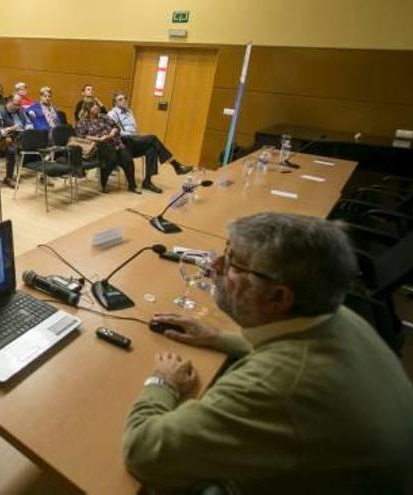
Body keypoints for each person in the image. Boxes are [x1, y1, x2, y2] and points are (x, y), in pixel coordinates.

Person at [123, 212, 413, 494]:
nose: (215, 265)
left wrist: (162, 383)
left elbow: (143, 453)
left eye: (234, 262)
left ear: (279, 297)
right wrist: (217, 338)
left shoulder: (272, 387)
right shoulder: (336, 314)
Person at [107, 93, 192, 179]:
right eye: (120, 99)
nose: (124, 100)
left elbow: (134, 128)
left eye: (125, 98)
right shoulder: (112, 114)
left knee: (151, 149)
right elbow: (113, 132)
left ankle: (147, 181)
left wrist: (136, 137)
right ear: (115, 103)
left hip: (133, 141)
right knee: (153, 138)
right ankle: (175, 165)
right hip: (123, 143)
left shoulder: (129, 112)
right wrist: (132, 136)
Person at [75, 100, 136, 193]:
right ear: (88, 109)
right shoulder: (83, 122)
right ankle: (103, 184)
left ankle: (132, 186)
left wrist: (113, 131)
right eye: (93, 106)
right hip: (98, 145)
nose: (97, 107)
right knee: (112, 158)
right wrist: (98, 139)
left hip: (115, 142)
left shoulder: (104, 117)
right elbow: (81, 136)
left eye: (97, 105)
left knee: (128, 159)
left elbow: (116, 126)